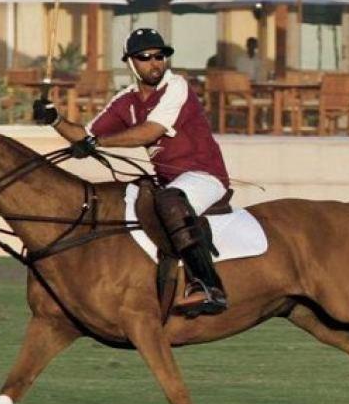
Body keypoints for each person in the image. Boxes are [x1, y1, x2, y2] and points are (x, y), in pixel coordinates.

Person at [34, 28, 232, 315]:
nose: (155, 63)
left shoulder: (177, 87)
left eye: (160, 56)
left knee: (171, 200)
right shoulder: (124, 101)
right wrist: (54, 118)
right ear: (130, 62)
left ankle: (208, 286)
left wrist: (95, 142)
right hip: (166, 180)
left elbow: (150, 131)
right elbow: (83, 135)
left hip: (205, 175)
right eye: (145, 57)